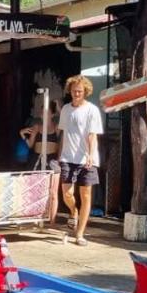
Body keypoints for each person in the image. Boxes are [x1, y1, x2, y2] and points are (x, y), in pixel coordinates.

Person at [57, 75, 103, 245]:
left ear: (85, 92)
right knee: (67, 193)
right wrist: (59, 154)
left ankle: (80, 234)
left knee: (86, 194)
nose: (77, 93)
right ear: (70, 91)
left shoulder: (92, 110)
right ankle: (73, 211)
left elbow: (93, 135)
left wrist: (90, 154)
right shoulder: (66, 110)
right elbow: (63, 133)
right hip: (68, 157)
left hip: (86, 158)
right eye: (74, 91)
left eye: (80, 91)